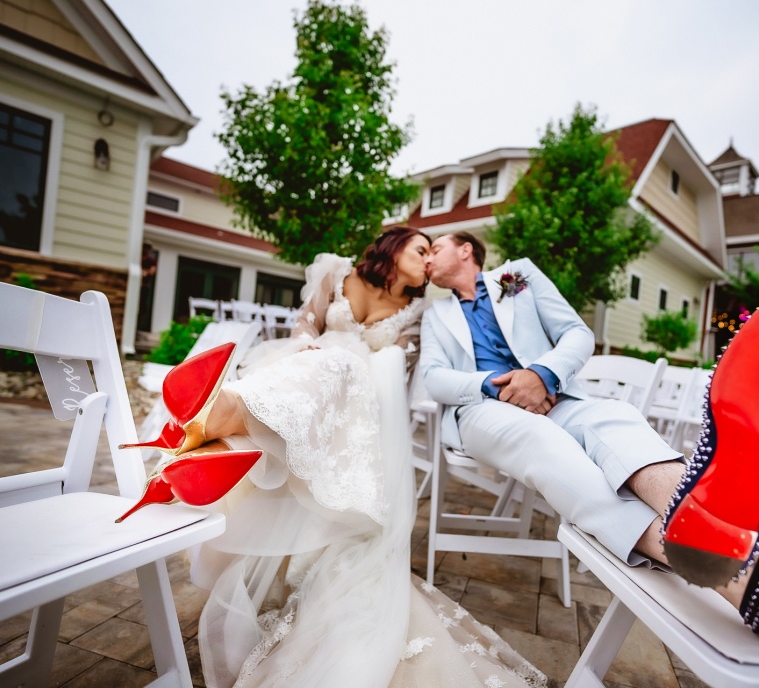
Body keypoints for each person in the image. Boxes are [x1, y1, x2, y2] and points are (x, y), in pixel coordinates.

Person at [120, 227, 547, 688]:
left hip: (355, 397)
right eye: (421, 249)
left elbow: (400, 363)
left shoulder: (422, 312)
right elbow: (306, 322)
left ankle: (214, 426)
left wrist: (361, 353)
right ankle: (218, 434)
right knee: (314, 371)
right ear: (394, 245)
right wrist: (310, 344)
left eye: (431, 255)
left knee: (341, 367)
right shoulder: (335, 271)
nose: (427, 261)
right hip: (300, 367)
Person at [420, 231, 759, 669]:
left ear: (466, 250)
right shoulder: (436, 313)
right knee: (547, 445)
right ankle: (751, 577)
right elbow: (434, 378)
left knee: (618, 420)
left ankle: (732, 557)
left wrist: (541, 373)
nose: (426, 260)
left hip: (557, 396)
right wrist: (493, 386)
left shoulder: (518, 275)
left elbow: (576, 334)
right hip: (482, 411)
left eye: (433, 249)